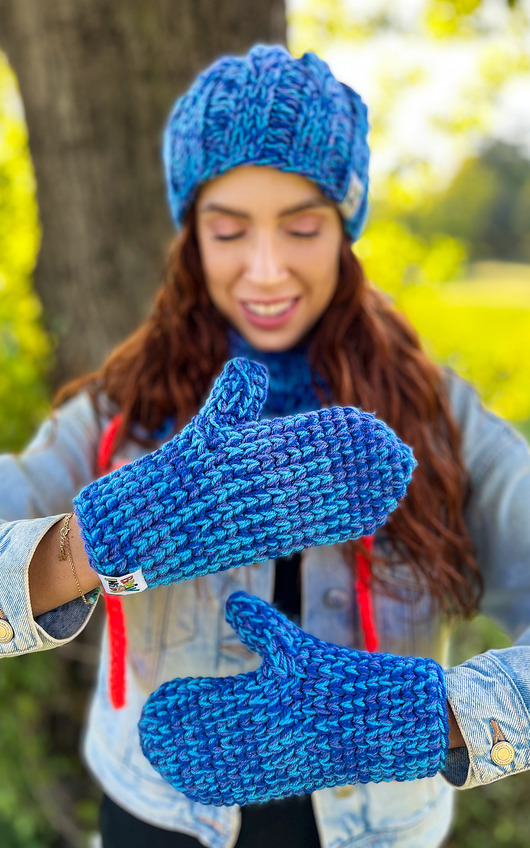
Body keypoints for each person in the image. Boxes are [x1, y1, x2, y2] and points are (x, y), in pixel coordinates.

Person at [0, 44, 529, 848]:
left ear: (347, 231)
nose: (267, 269)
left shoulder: (439, 418)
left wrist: (428, 719)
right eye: (228, 229)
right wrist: (90, 546)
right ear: (192, 237)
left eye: (304, 226)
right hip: (155, 821)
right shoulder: (122, 412)